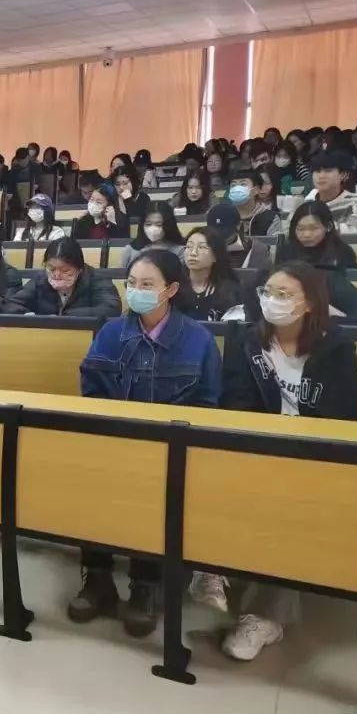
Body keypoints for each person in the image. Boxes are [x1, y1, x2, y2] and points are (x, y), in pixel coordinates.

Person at [209, 260, 357, 660]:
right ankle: (212, 569)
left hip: (315, 457)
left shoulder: (336, 348)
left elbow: (348, 416)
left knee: (288, 502)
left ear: (309, 302)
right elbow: (235, 404)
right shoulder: (248, 342)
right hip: (258, 449)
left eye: (284, 294)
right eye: (267, 293)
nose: (272, 301)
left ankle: (266, 617)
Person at [75, 250, 221, 637]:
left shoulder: (198, 340)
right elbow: (91, 388)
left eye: (147, 284)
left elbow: (208, 404)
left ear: (170, 289)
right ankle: (98, 579)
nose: (136, 291)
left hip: (171, 450)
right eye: (132, 283)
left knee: (157, 489)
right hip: (114, 443)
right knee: (91, 480)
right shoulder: (110, 333)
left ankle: (145, 585)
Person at [9, 237, 121, 318]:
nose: (57, 275)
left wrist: (64, 316)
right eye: (51, 269)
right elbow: (11, 305)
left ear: (80, 269)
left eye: (65, 270)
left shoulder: (96, 280)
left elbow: (112, 309)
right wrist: (28, 315)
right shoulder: (40, 279)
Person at [181, 227, 243, 321]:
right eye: (189, 246)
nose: (193, 253)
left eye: (201, 247)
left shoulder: (230, 292)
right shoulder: (174, 286)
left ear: (216, 255)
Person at [277, 200, 357, 270]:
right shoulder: (287, 251)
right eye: (301, 229)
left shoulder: (342, 252)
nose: (307, 234)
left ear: (328, 226)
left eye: (313, 228)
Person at [305, 151, 357, 233]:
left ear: (344, 175)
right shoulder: (306, 203)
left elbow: (355, 230)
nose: (321, 176)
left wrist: (315, 228)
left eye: (328, 171)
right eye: (317, 171)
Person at [119, 201, 187, 268]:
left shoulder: (180, 251)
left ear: (168, 225)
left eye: (159, 225)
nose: (153, 229)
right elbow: (121, 274)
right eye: (148, 224)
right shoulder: (130, 250)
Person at [205, 204, 273, 271]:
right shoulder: (203, 249)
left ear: (239, 225)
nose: (219, 236)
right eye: (214, 230)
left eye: (223, 230)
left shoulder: (256, 251)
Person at [227, 169, 282, 238]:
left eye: (243, 184)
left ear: (256, 189)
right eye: (233, 185)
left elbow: (274, 243)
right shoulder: (222, 215)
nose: (237, 188)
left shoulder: (270, 218)